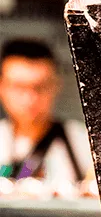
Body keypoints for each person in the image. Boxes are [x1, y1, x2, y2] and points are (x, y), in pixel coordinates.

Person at [0, 39, 93, 182]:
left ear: (55, 85)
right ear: (2, 87)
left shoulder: (86, 143)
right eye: (19, 87)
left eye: (40, 87)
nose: (29, 99)